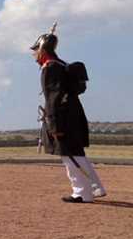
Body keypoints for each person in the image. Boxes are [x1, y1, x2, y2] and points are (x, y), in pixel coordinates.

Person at [32, 27, 105, 203]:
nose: (33, 54)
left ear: (42, 49)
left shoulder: (50, 68)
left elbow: (54, 97)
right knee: (76, 153)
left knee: (70, 155)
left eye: (35, 50)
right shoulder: (61, 65)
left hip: (63, 117)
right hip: (72, 114)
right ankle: (95, 188)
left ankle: (82, 193)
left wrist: (54, 125)